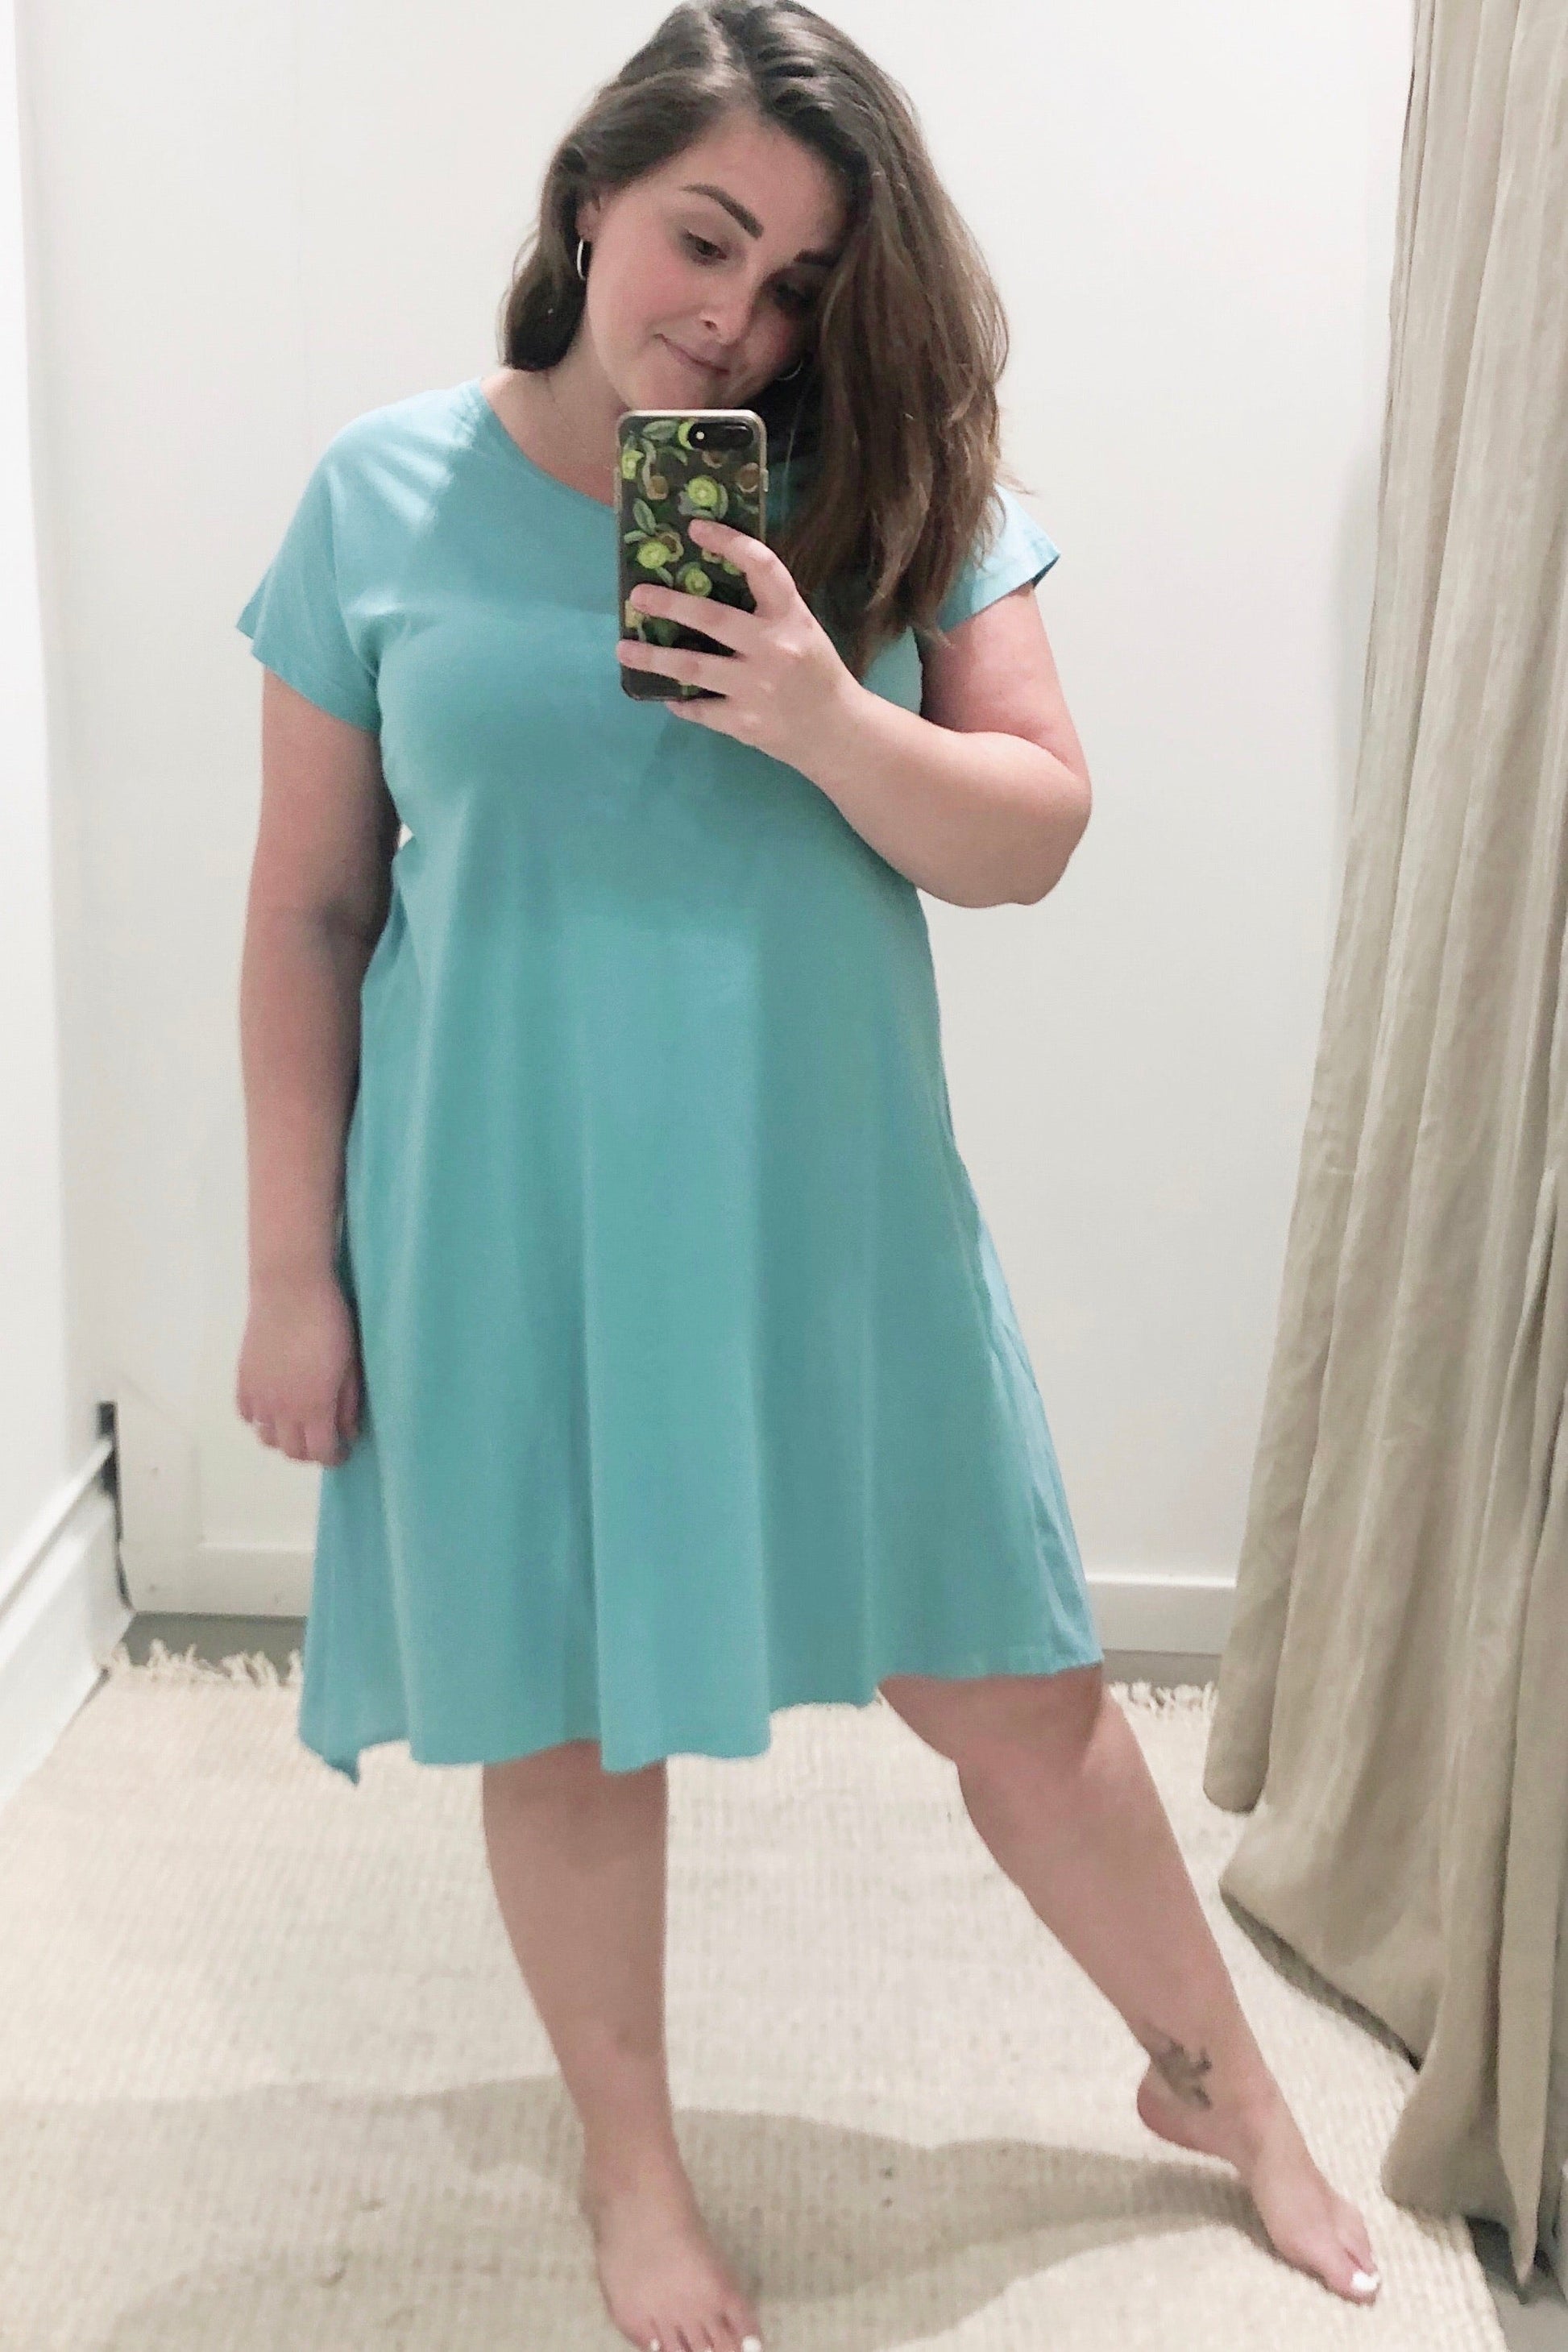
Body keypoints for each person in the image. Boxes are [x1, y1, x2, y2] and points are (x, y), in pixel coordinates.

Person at [234, 5, 1383, 2346]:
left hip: (822, 1203)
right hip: (501, 1217)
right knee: (565, 1712)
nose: (734, 320)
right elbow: (311, 910)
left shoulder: (892, 482)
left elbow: (1034, 833)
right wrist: (288, 1271)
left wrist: (821, 712)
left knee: (1020, 1689)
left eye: (797, 283)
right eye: (704, 239)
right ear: (589, 200)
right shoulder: (380, 495)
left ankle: (1220, 2087)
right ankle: (632, 2167)